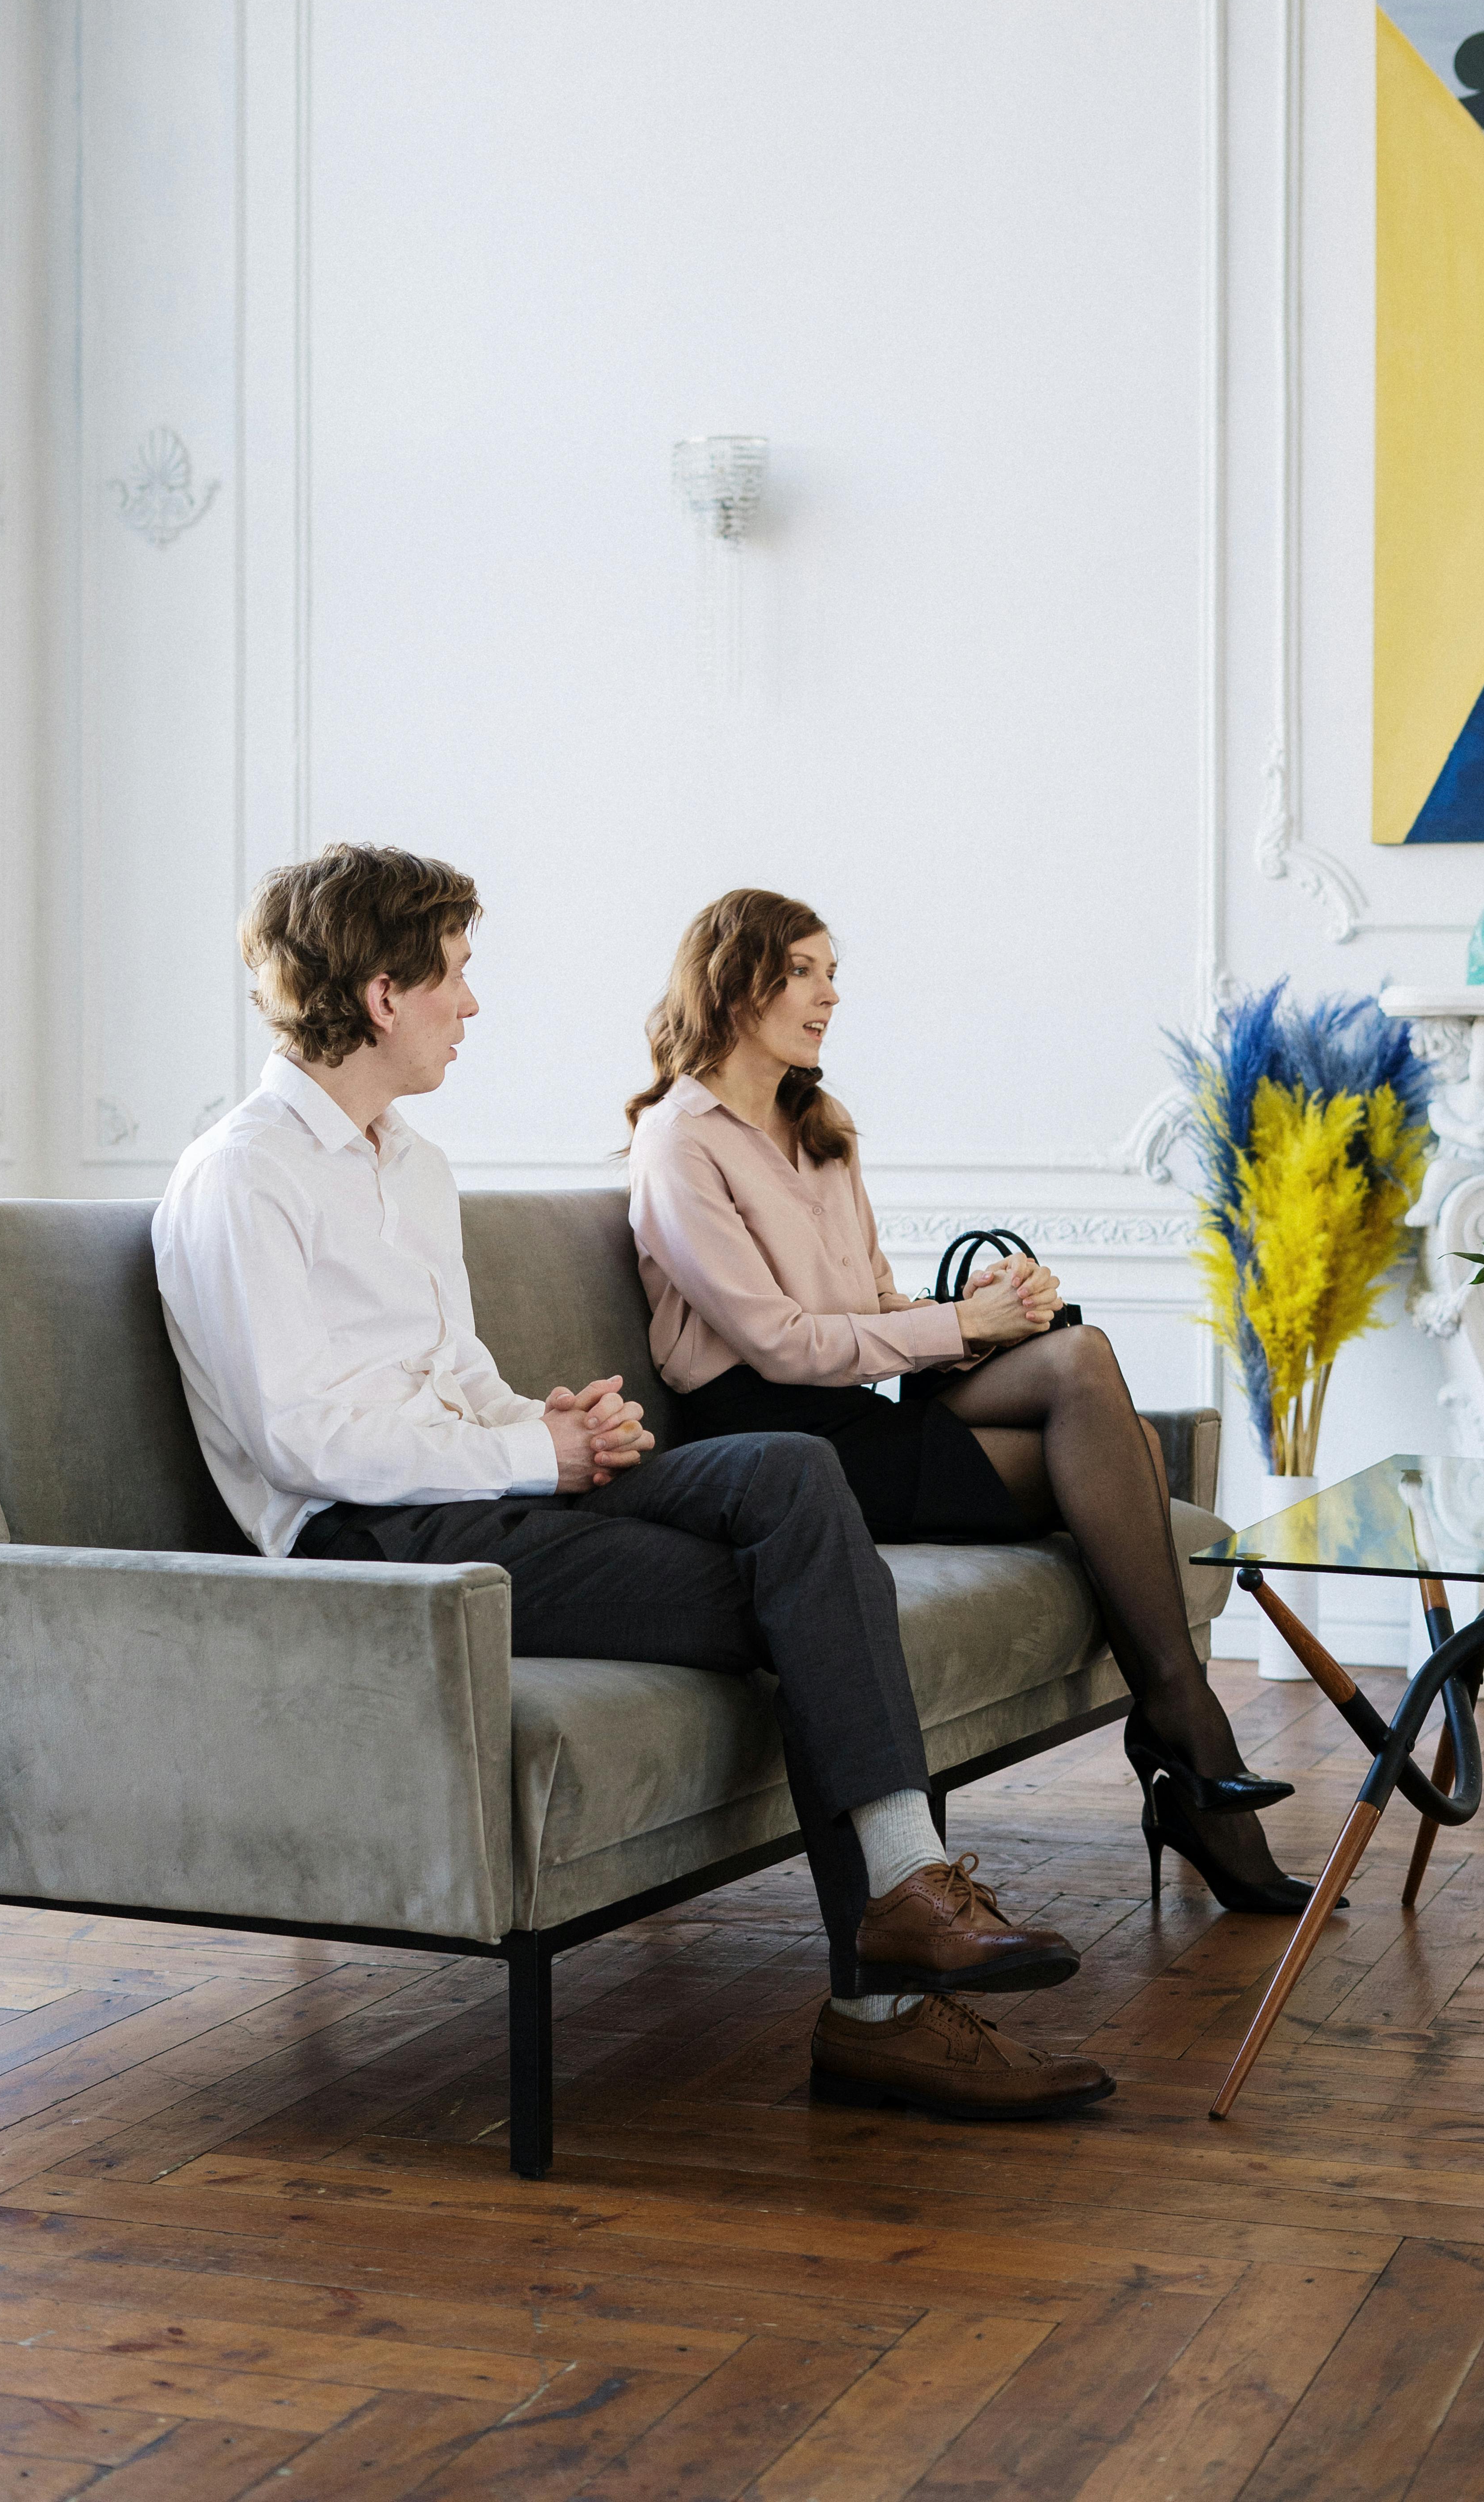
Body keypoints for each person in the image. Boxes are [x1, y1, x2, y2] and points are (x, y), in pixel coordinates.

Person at [152, 842, 1114, 2126]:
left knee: (789, 1468)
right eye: (456, 977)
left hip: (478, 1491)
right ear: (384, 996)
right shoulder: (241, 1176)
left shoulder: (410, 1164)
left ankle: (904, 1910)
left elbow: (451, 1374)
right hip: (370, 1544)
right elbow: (303, 1442)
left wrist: (543, 1421)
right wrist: (524, 1454)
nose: (473, 1005)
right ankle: (889, 1986)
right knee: (801, 1595)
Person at [625, 888, 1310, 1915]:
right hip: (764, 1442)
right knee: (1103, 1439)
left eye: (829, 970)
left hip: (851, 1410)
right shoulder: (680, 1142)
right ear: (734, 984)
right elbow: (775, 1341)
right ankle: (1184, 1735)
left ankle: (1180, 1726)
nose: (829, 994)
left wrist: (977, 1308)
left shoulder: (819, 1130)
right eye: (804, 971)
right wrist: (957, 1331)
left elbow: (865, 1308)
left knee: (1076, 1355)